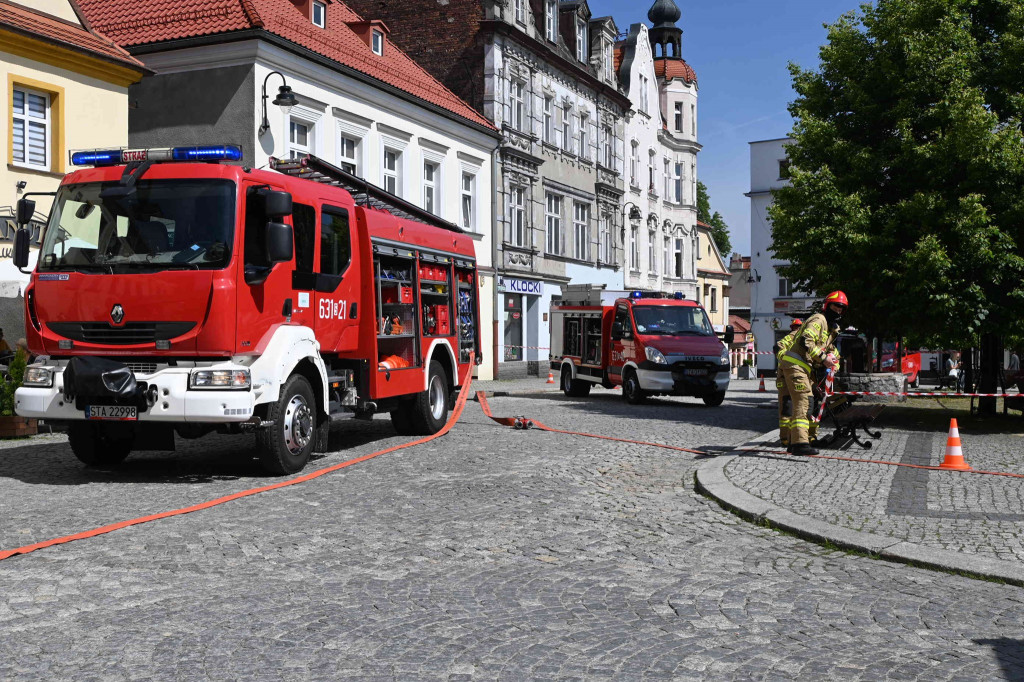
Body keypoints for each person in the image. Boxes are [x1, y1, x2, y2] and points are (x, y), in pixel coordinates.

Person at [779, 291, 846, 456]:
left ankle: (794, 441)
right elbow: (806, 341)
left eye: (842, 308)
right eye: (836, 306)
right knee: (804, 399)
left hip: (802, 368)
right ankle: (800, 443)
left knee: (805, 401)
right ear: (827, 305)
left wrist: (834, 362)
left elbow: (832, 352)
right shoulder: (819, 319)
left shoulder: (830, 330)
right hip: (796, 364)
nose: (838, 310)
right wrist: (824, 359)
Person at [774, 318, 804, 448]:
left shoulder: (787, 339)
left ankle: (785, 439)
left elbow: (777, 348)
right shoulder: (801, 338)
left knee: (786, 408)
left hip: (783, 378)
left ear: (792, 327)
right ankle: (795, 438)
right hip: (798, 377)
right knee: (800, 407)